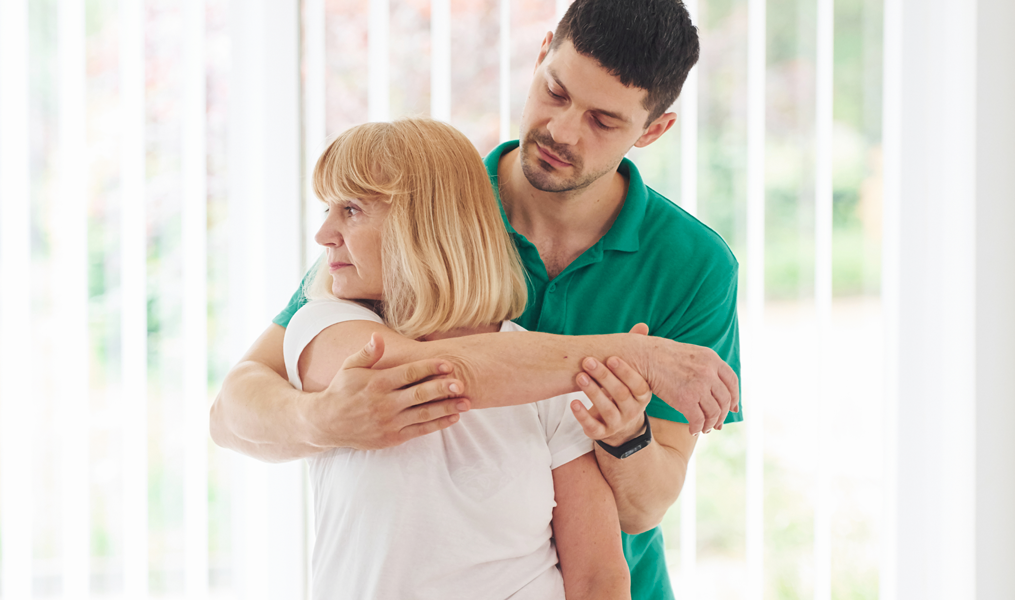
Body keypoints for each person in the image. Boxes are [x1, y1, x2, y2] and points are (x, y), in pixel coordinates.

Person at [211, 1, 741, 598]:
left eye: (603, 121)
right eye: (556, 91)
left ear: (652, 130)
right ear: (541, 54)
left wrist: (625, 437)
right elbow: (233, 412)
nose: (563, 131)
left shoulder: (694, 266)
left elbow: (645, 508)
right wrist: (320, 419)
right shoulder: (426, 213)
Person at [292, 117, 633, 599]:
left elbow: (598, 577)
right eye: (328, 208)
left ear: (424, 222)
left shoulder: (545, 371)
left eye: (351, 209)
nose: (325, 233)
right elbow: (431, 373)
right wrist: (636, 356)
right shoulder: (321, 329)